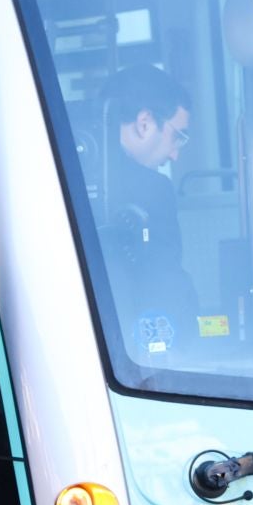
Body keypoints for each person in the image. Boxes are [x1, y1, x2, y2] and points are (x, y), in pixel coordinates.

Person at [96, 64, 198, 353]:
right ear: (144, 123)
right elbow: (165, 283)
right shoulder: (153, 189)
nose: (175, 154)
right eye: (178, 136)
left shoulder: (61, 171)